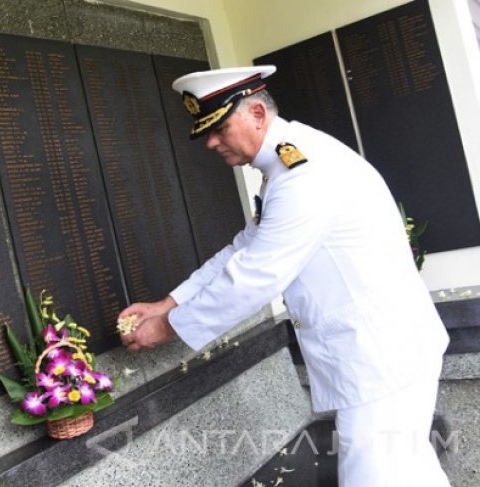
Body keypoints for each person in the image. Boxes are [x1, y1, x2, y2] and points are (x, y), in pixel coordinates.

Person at [119, 65, 451, 486]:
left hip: (381, 359)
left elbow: (259, 273)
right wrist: (170, 303)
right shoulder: (287, 163)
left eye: (219, 127)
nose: (211, 142)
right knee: (410, 472)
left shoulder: (303, 175)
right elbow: (245, 248)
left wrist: (166, 327)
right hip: (387, 351)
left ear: (257, 113)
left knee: (377, 477)